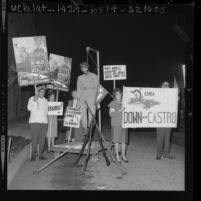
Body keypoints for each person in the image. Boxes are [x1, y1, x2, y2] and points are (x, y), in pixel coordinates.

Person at [77, 62, 99, 134]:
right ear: (81, 69)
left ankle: (90, 127)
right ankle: (85, 128)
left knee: (92, 112)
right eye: (82, 68)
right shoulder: (80, 78)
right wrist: (78, 100)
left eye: (85, 67)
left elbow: (97, 89)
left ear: (88, 67)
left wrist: (97, 100)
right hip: (83, 96)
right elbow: (78, 89)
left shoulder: (94, 76)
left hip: (91, 95)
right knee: (83, 112)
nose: (84, 69)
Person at [27, 85, 48, 161]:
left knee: (42, 139)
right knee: (35, 139)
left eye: (44, 92)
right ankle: (33, 155)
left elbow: (47, 112)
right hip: (35, 122)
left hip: (44, 122)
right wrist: (35, 99)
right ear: (37, 92)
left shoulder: (45, 100)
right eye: (41, 92)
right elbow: (29, 108)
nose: (42, 93)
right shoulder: (32, 98)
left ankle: (41, 154)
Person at [156, 81, 176, 160]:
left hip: (168, 119)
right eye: (165, 85)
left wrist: (176, 99)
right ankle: (158, 154)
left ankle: (166, 154)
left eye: (168, 85)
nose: (167, 86)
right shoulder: (157, 94)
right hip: (160, 120)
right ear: (161, 86)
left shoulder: (171, 96)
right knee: (160, 137)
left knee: (167, 138)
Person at [108, 88, 128, 163]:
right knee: (116, 141)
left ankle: (123, 156)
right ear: (114, 96)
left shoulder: (125, 102)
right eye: (117, 94)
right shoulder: (112, 103)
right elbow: (111, 115)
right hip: (116, 124)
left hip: (124, 124)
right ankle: (117, 157)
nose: (118, 95)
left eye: (119, 94)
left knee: (123, 141)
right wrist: (120, 110)